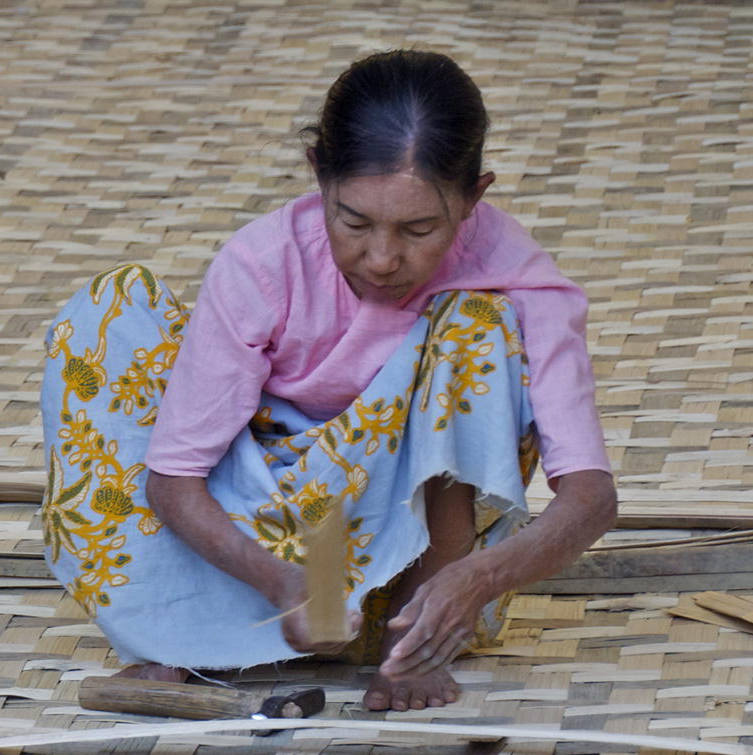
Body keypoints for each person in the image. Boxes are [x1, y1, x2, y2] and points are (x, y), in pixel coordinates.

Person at [41, 49, 616, 711]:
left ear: (472, 199)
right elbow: (171, 478)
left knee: (477, 324)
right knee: (108, 315)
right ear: (318, 175)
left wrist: (472, 579)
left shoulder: (523, 281)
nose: (381, 258)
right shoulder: (260, 264)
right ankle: (184, 637)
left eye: (418, 228)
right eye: (353, 221)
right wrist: (286, 584)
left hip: (409, 569)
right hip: (263, 554)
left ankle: (411, 641)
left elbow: (590, 497)